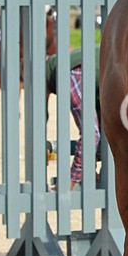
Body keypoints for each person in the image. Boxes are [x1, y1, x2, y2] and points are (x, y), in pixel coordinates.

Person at [45, 47, 101, 186]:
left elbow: (91, 134)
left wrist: (72, 179)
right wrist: (88, 168)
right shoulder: (68, 54)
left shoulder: (69, 74)